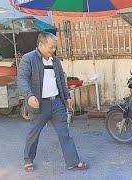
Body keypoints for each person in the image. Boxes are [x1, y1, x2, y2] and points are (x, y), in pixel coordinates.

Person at [17, 32, 89, 172]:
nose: (53, 50)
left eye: (55, 47)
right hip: (39, 104)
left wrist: (67, 97)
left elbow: (61, 81)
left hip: (56, 103)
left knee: (65, 133)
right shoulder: (28, 59)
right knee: (34, 133)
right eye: (51, 47)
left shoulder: (55, 60)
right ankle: (28, 159)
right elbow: (22, 79)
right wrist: (29, 96)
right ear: (40, 45)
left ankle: (73, 162)